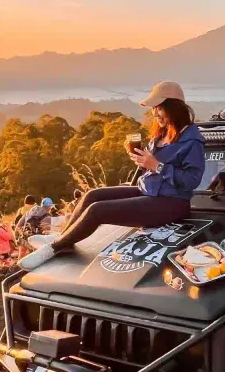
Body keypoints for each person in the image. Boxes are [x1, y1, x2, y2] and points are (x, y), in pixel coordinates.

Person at [20, 82, 205, 271]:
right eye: (154, 109)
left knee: (98, 210)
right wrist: (141, 159)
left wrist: (157, 166)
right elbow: (153, 166)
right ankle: (63, 237)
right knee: (92, 195)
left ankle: (53, 249)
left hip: (172, 202)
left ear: (174, 107)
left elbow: (191, 180)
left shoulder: (192, 139)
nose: (155, 114)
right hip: (149, 191)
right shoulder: (164, 132)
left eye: (160, 108)